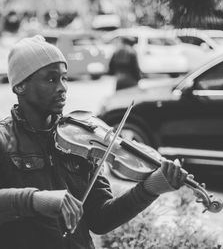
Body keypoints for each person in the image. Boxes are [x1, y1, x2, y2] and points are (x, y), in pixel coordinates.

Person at [0, 35, 189, 249]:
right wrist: (34, 200)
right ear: (20, 86)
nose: (62, 87)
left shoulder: (79, 139)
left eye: (64, 78)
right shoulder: (4, 140)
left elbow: (101, 219)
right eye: (51, 79)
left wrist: (150, 188)